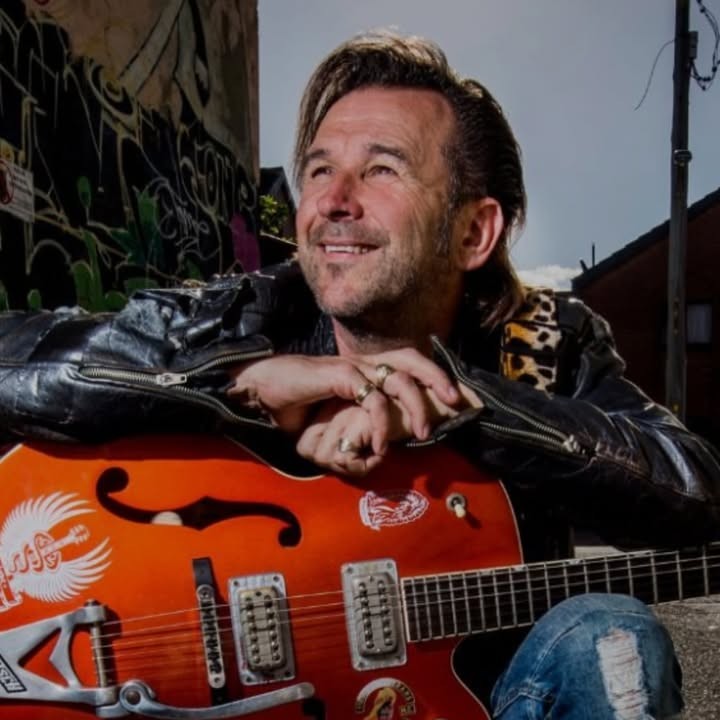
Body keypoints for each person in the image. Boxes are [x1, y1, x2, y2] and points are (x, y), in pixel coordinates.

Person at [0, 29, 718, 719]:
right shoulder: (248, 316)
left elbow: (693, 488)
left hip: (483, 701)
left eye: (381, 169)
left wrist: (462, 402)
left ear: (473, 232)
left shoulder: (544, 342)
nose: (334, 201)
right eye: (319, 170)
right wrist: (239, 382)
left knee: (609, 632)